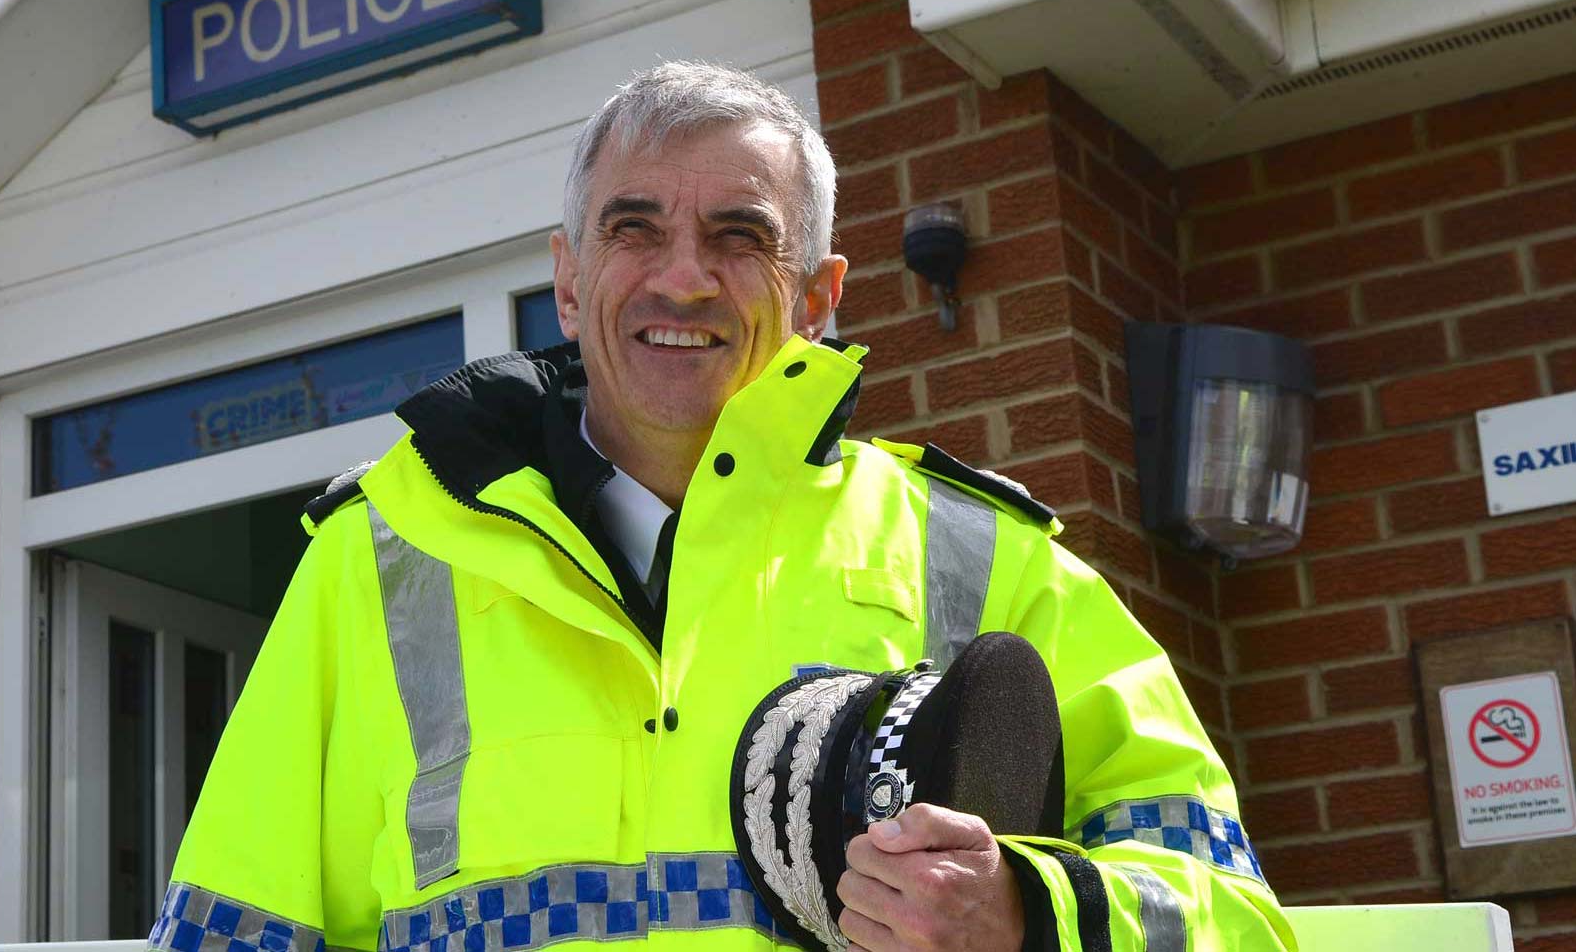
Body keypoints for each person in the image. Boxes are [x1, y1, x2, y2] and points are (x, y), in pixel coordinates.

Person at [147, 62, 1294, 952]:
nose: (682, 276)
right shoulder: (377, 558)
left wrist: (1023, 911)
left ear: (819, 294)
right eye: (633, 226)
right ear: (567, 274)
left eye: (739, 236)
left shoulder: (983, 555)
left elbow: (1235, 915)